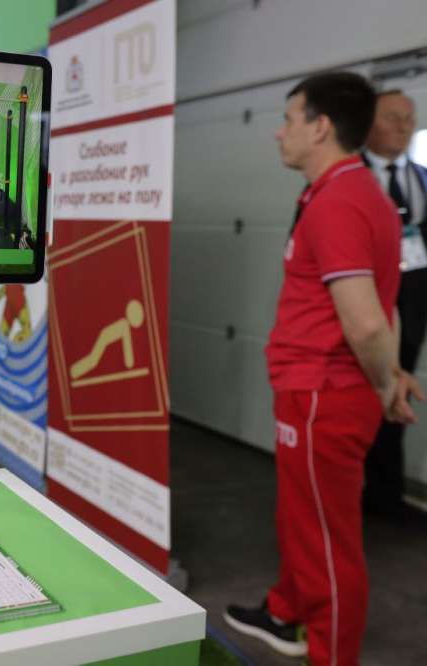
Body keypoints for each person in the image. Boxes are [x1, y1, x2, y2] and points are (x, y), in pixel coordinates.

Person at [223, 72, 423, 666]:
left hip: (323, 395)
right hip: (316, 391)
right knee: (303, 519)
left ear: (320, 127)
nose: (279, 132)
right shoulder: (351, 191)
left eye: (289, 119)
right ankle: (287, 610)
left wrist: (385, 383)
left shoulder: (339, 201)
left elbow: (366, 323)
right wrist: (393, 372)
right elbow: (387, 301)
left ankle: (333, 653)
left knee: (327, 541)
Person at [361, 90, 427, 516]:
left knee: (400, 388)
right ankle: (355, 486)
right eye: (392, 117)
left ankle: (387, 495)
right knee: (366, 389)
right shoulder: (348, 176)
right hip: (365, 299)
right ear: (369, 123)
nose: (403, 127)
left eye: (409, 118)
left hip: (413, 299)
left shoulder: (421, 177)